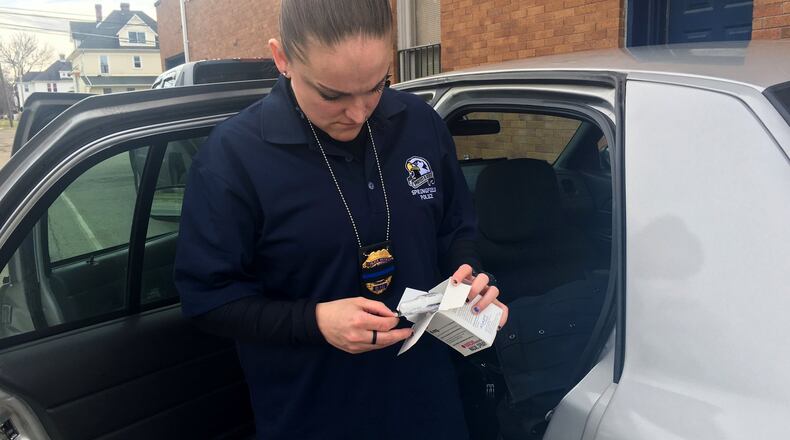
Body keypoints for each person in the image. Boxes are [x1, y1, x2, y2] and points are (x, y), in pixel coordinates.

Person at [174, 1, 508, 438]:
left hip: (428, 402)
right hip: (314, 412)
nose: (358, 112)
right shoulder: (233, 158)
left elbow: (454, 228)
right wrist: (313, 322)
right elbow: (208, 299)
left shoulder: (420, 124)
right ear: (282, 59)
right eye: (332, 95)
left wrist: (470, 278)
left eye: (376, 86)